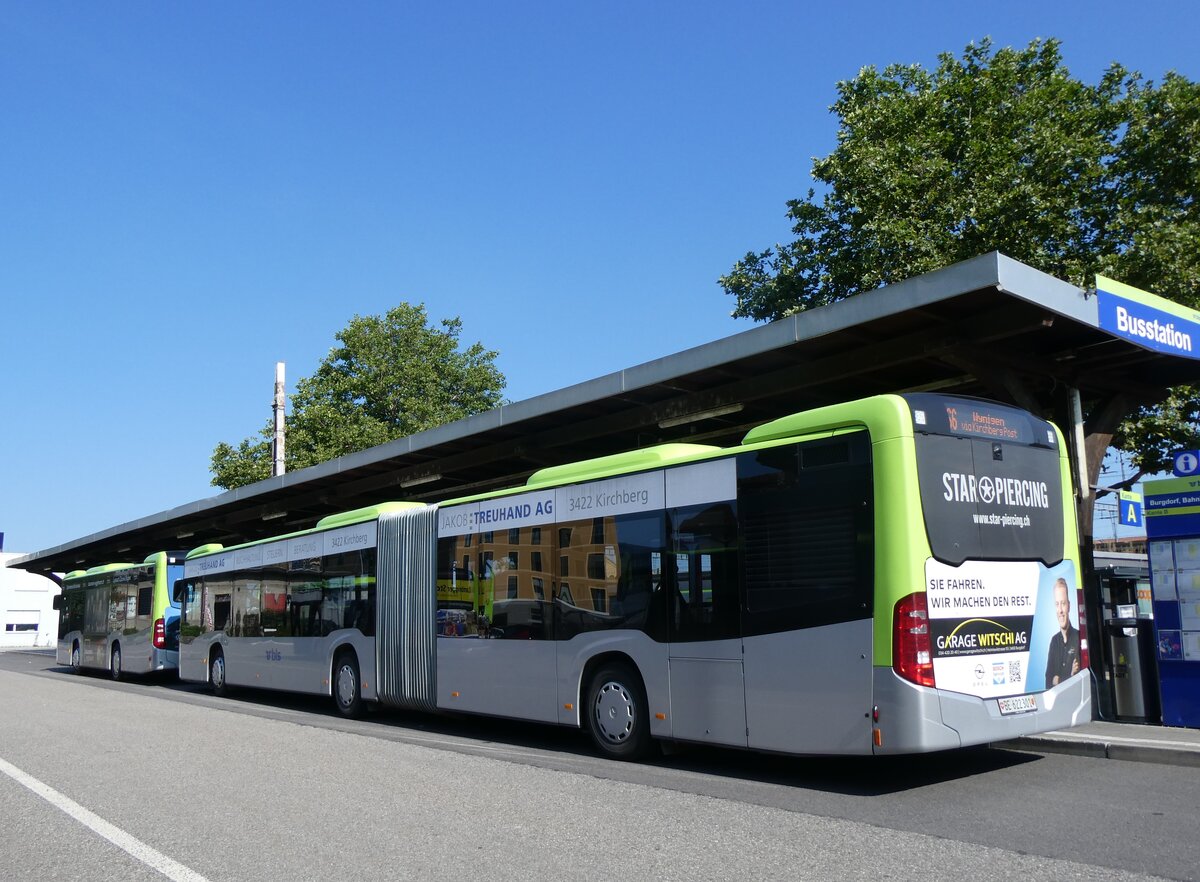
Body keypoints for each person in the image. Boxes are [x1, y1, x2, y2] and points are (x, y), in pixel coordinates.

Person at [1045, 578, 1080, 687]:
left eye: (1063, 603)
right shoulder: (1054, 641)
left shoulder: (1079, 637)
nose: (1060, 610)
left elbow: (1079, 678)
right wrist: (1069, 675)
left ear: (1069, 605)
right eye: (1057, 604)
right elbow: (1048, 680)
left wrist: (1058, 679)